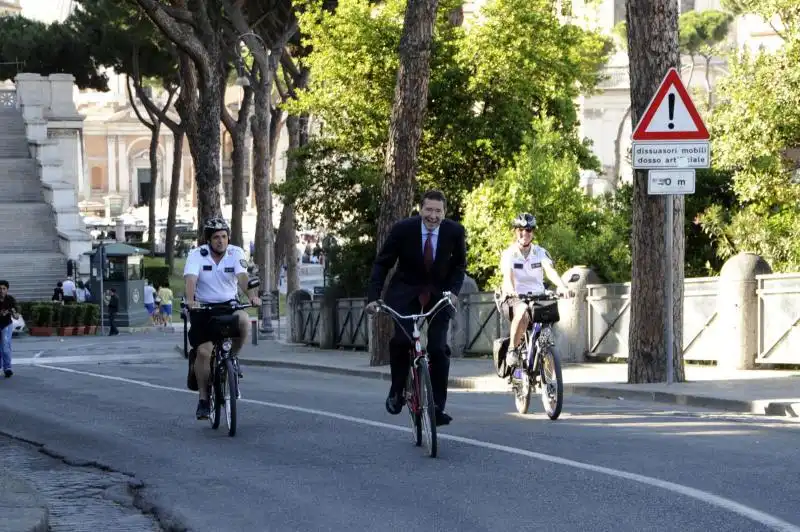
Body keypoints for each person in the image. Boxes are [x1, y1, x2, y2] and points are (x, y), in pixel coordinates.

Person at [366, 190, 466, 427]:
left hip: (439, 293)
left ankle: (437, 406)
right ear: (420, 210)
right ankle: (397, 390)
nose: (433, 216)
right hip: (405, 290)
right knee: (401, 341)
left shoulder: (454, 231)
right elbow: (382, 263)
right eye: (428, 210)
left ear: (445, 213)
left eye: (438, 211)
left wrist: (453, 291)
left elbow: (460, 265)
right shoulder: (403, 229)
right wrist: (373, 297)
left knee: (439, 348)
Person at [184, 217, 260, 420]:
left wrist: (252, 297)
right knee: (204, 351)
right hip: (203, 309)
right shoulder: (196, 255)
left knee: (244, 320)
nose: (221, 241)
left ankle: (231, 357)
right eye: (216, 237)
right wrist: (190, 301)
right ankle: (203, 399)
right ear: (209, 240)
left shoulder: (236, 253)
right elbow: (190, 280)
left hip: (228, 306)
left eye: (224, 236)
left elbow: (243, 277)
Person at [499, 213, 574, 367]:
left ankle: (549, 380)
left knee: (547, 331)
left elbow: (550, 270)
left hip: (538, 296)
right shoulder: (509, 254)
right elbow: (508, 275)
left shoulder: (540, 252)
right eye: (521, 229)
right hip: (515, 297)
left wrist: (562, 286)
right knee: (522, 311)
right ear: (515, 231)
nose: (525, 233)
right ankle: (512, 350)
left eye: (529, 230)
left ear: (533, 232)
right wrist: (512, 290)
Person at [0, 280, 19, 378]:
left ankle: (7, 368)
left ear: (7, 290)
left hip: (6, 325)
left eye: (4, 289)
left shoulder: (10, 299)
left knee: (5, 346)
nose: (1, 291)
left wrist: (13, 312)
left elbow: (16, 316)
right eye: (0, 289)